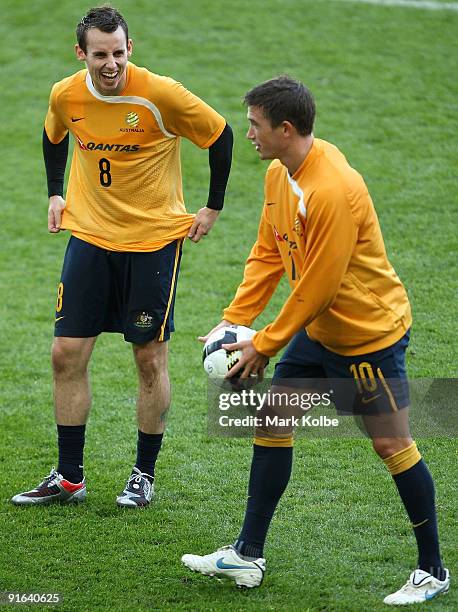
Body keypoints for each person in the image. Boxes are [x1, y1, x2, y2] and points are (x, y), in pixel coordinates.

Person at [181, 76, 450, 605]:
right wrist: (234, 319)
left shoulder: (332, 189)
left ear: (285, 129)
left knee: (391, 443)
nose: (249, 134)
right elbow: (267, 250)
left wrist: (266, 343)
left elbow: (320, 287)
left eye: (256, 126)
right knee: (274, 417)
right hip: (318, 329)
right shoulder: (282, 174)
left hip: (367, 337)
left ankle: (433, 570)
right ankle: (247, 555)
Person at [11, 6, 232, 509]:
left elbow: (220, 136)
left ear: (130, 48)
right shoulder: (66, 94)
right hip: (89, 235)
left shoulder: (160, 95)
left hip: (153, 241)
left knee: (148, 357)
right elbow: (53, 135)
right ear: (81, 54)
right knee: (65, 353)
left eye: (118, 53)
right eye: (99, 55)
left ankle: (142, 474)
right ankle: (69, 477)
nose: (110, 65)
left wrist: (212, 207)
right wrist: (54, 193)